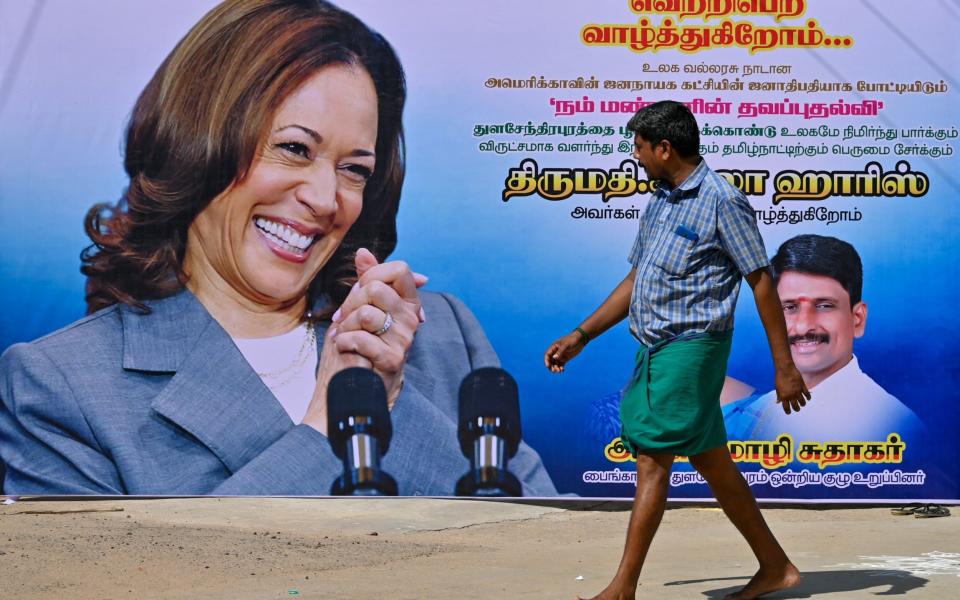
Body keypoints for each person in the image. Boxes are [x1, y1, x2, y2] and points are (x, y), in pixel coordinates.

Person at [0, 0, 555, 497]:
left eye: (354, 170)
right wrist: (327, 430)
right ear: (198, 143)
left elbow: (551, 558)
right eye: (293, 148)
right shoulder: (60, 388)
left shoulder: (441, 336)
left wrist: (391, 396)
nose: (323, 198)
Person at [544, 100, 808, 600]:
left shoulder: (721, 200)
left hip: (692, 350)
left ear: (665, 148)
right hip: (656, 350)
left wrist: (785, 366)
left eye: (640, 148)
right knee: (711, 460)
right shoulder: (661, 200)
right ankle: (776, 567)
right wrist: (581, 335)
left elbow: (762, 284)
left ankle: (622, 588)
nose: (636, 157)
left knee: (652, 459)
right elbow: (635, 278)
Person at [724, 234, 922, 442]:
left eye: (824, 306)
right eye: (789, 307)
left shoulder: (897, 427)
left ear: (858, 319)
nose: (803, 326)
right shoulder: (757, 412)